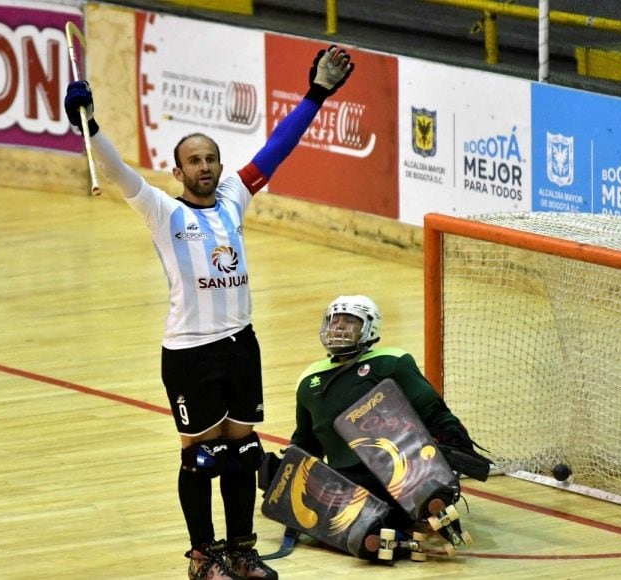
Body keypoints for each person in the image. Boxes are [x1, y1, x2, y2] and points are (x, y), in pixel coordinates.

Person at [63, 46, 355, 580]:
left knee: (243, 454)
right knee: (200, 458)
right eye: (194, 161)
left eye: (211, 159)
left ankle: (241, 550)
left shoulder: (234, 196)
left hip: (241, 345)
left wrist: (317, 93)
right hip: (190, 352)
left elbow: (277, 148)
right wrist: (89, 122)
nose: (204, 167)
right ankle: (203, 555)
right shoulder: (162, 210)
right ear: (177, 171)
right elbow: (118, 169)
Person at [287, 295, 491, 552]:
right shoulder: (308, 380)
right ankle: (386, 538)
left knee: (409, 473)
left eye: (349, 322)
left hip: (403, 467)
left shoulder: (392, 361)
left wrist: (454, 439)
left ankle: (421, 502)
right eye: (334, 320)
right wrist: (286, 475)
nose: (338, 327)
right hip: (354, 483)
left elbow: (433, 410)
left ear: (369, 328)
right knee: (329, 505)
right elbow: (306, 442)